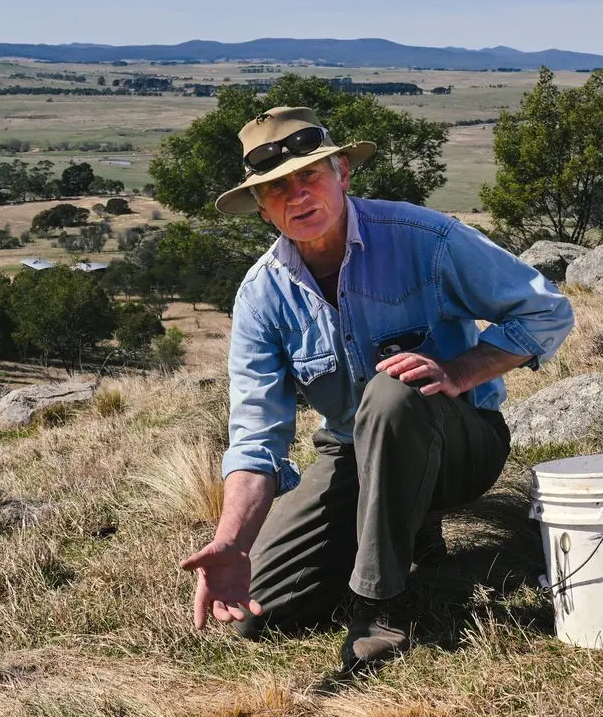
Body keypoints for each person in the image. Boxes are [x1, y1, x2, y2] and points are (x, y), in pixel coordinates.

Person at [179, 105, 574, 672]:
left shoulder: (425, 238)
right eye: (276, 189)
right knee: (258, 612)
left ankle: (379, 605)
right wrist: (234, 542)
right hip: (351, 451)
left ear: (342, 172)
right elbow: (255, 438)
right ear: (262, 209)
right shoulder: (262, 297)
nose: (297, 197)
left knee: (395, 391)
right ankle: (406, 533)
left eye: (309, 175)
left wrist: (459, 374)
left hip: (460, 443)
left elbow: (546, 311)